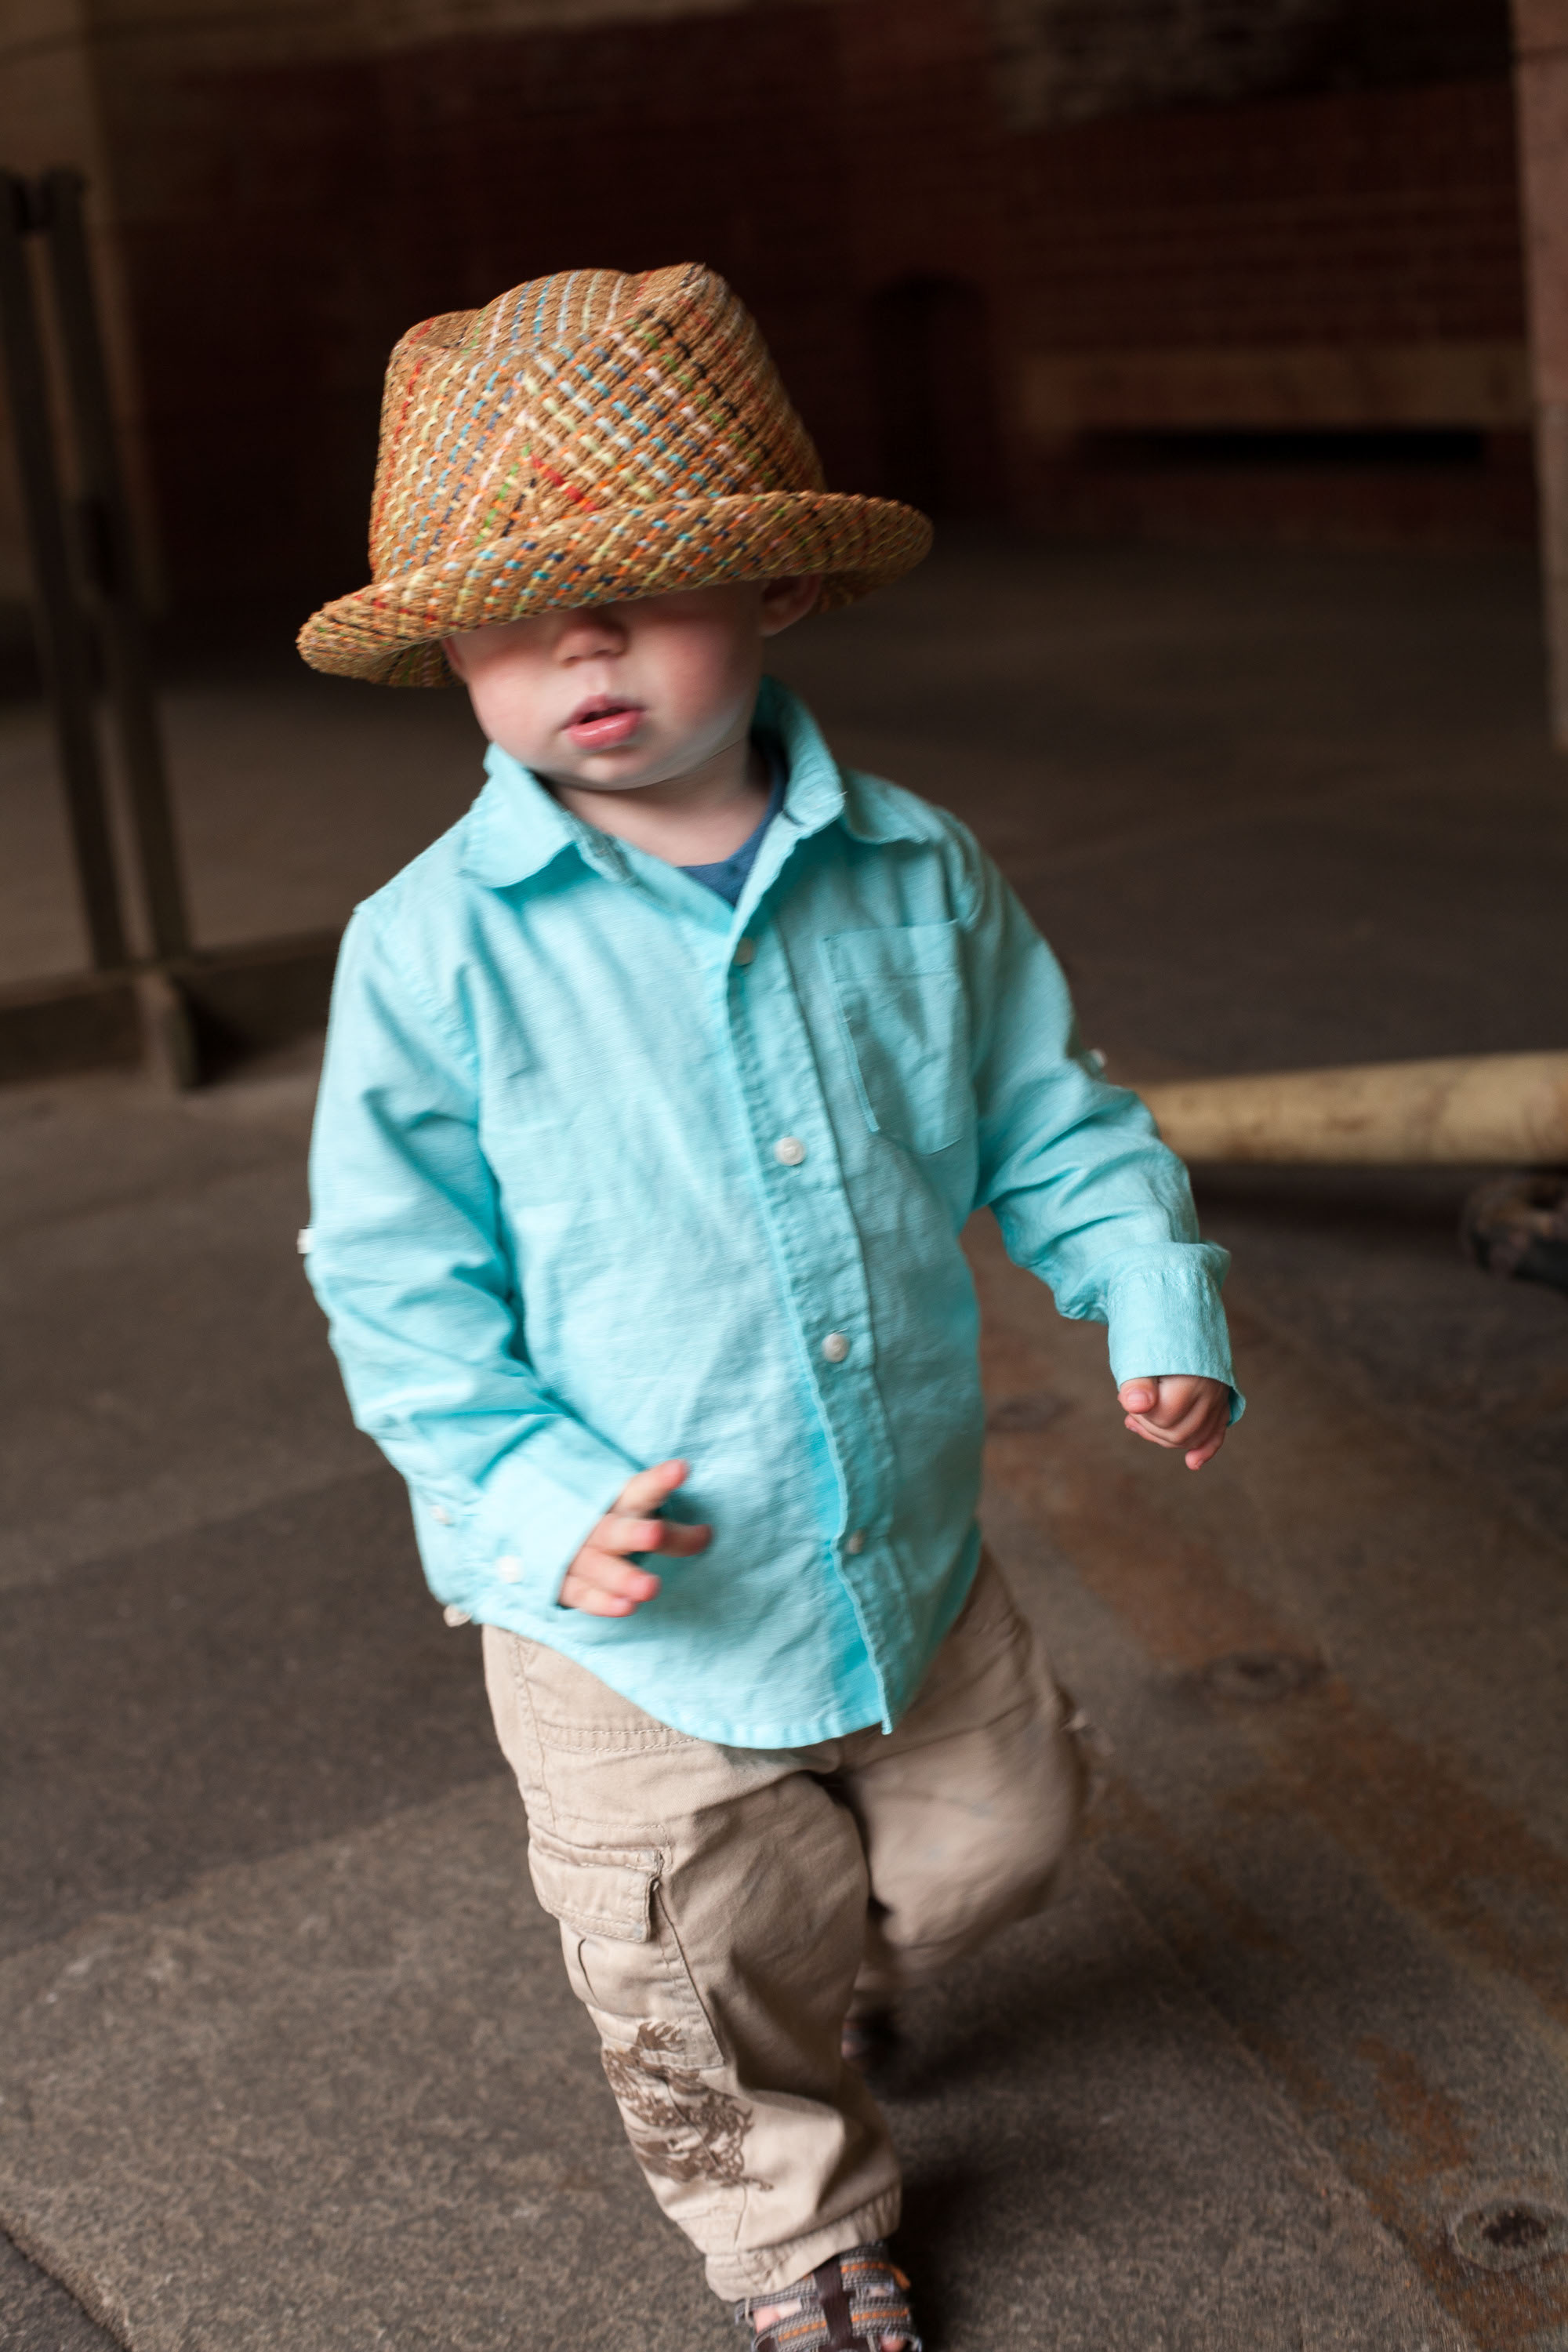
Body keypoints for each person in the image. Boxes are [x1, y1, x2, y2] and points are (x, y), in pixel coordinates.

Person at [299, 262, 1240, 2352]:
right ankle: (799, 2239)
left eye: (645, 584)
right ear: (451, 655)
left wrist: (1147, 1287)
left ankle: (849, 1981)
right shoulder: (436, 954)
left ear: (780, 594)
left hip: (902, 1544)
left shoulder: (919, 873)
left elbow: (1047, 1119)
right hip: (620, 1606)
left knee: (1006, 1826)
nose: (581, 643)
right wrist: (530, 1487)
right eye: (511, 613)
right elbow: (393, 1266)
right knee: (697, 1953)